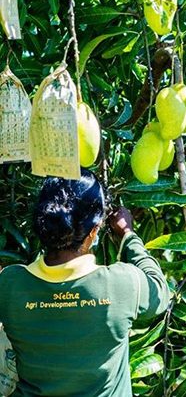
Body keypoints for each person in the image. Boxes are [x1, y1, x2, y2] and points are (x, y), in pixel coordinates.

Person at [0, 169, 170, 397]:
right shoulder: (122, 284)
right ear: (93, 231)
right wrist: (128, 235)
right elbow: (160, 293)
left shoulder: (9, 283)